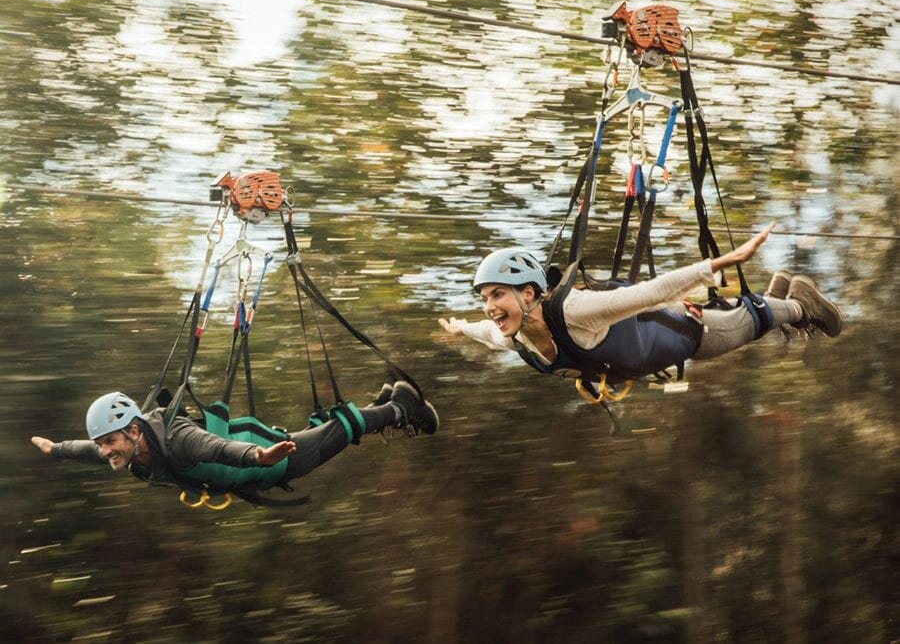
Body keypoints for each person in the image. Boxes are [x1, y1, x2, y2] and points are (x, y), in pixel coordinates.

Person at [438, 223, 842, 390]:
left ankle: (800, 304)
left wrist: (720, 264)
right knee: (742, 318)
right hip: (654, 348)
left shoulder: (576, 311)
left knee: (750, 325)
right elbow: (485, 332)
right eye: (485, 298)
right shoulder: (517, 338)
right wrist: (461, 327)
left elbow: (649, 293)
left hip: (688, 333)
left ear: (528, 294)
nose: (490, 307)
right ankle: (779, 293)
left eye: (498, 295)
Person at [30, 381, 438, 503]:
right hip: (251, 475)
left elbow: (217, 449)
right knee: (331, 430)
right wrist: (57, 450)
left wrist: (259, 456)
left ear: (134, 430)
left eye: (109, 442)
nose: (104, 452)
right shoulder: (130, 452)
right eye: (101, 444)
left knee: (337, 432)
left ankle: (400, 407)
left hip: (273, 460)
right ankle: (380, 403)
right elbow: (85, 452)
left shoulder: (178, 438)